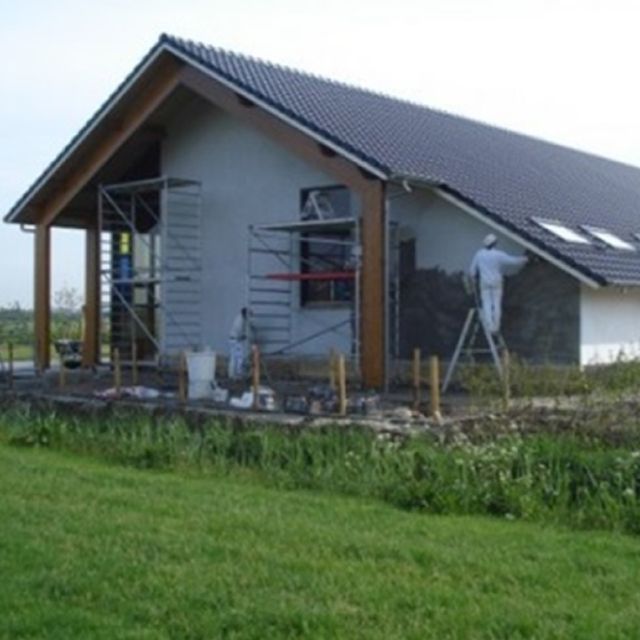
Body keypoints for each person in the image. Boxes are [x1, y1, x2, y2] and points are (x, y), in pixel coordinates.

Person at [469, 234, 528, 335]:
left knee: (486, 304)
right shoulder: (498, 254)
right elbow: (512, 261)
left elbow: (472, 270)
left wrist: (473, 278)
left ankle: (490, 326)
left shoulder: (479, 254)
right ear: (494, 243)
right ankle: (496, 326)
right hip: (496, 282)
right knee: (496, 304)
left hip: (484, 283)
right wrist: (525, 259)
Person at [228, 307, 251, 380]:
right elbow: (239, 333)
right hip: (236, 340)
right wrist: (243, 336)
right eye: (247, 314)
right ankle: (238, 374)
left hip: (232, 339)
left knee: (233, 358)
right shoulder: (239, 321)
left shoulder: (239, 318)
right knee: (239, 357)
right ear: (244, 313)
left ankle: (231, 374)